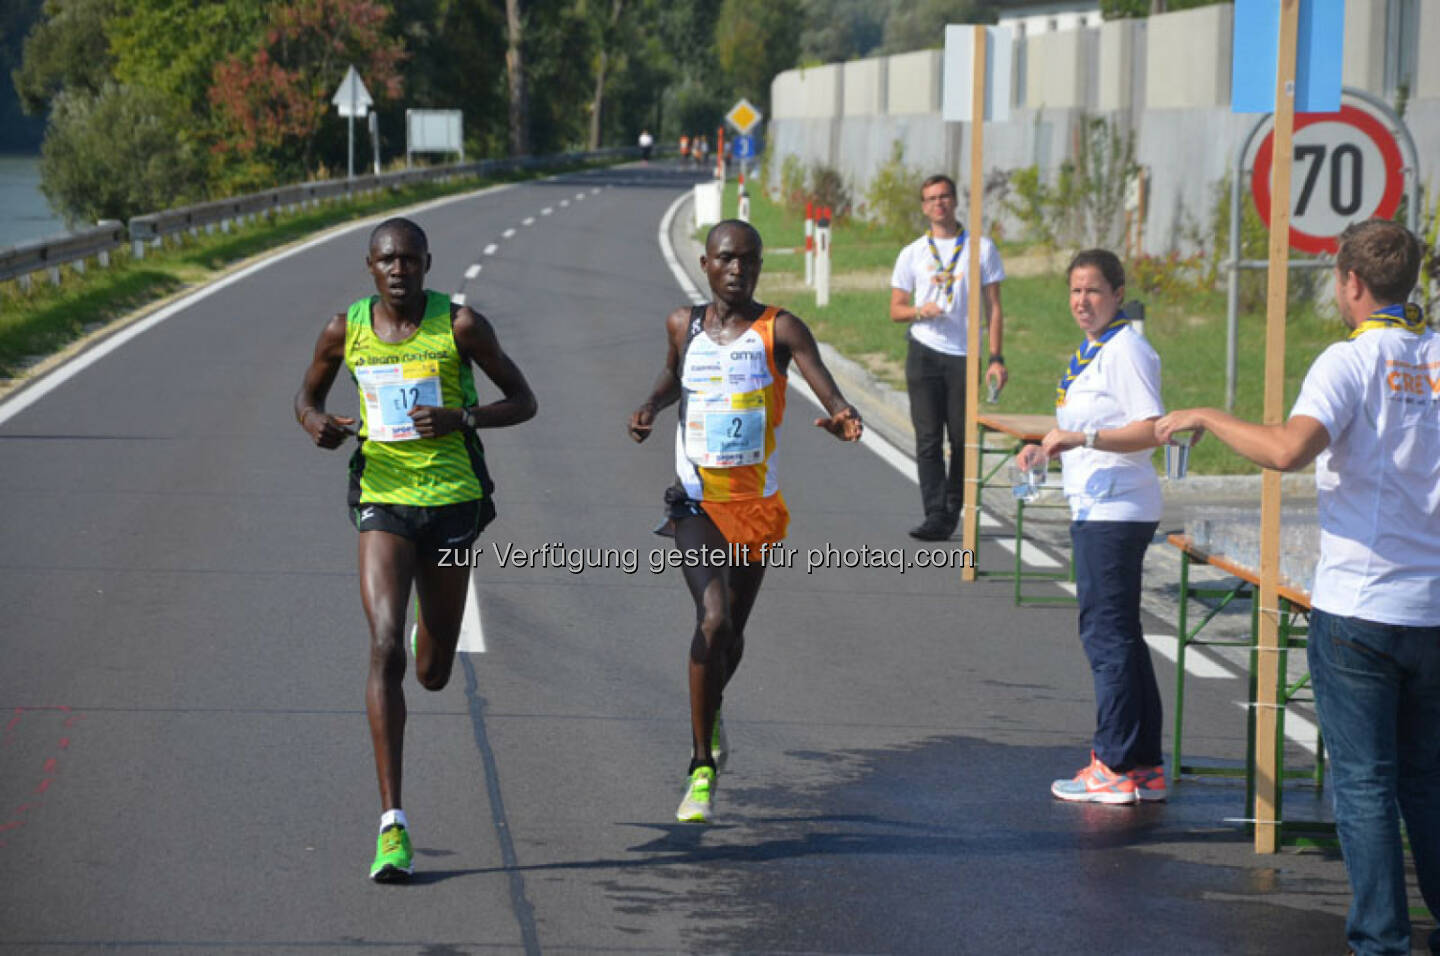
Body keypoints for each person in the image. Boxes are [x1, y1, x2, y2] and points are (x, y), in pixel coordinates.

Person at [1156, 219, 1439, 955]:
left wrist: (1207, 416)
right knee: (1428, 782)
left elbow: (1287, 450)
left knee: (1367, 785)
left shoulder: (1349, 362)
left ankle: (1382, 940)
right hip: (1433, 606)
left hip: (1361, 606)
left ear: (1351, 283)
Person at [294, 217, 537, 882]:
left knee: (432, 669)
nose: (398, 270)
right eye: (385, 260)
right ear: (370, 267)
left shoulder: (460, 327)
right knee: (383, 644)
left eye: (409, 259)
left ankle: (438, 629)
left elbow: (524, 401)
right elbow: (306, 397)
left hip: (454, 505)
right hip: (384, 499)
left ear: (428, 262)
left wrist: (463, 417)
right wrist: (316, 422)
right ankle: (392, 825)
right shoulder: (345, 329)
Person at [628, 219, 863, 824]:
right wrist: (653, 404)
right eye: (728, 259)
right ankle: (701, 766)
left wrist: (842, 413)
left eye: (750, 261)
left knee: (730, 638)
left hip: (755, 507)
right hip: (696, 502)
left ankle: (713, 707)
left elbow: (825, 387)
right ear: (705, 264)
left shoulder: (780, 328)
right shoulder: (684, 324)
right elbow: (674, 374)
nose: (739, 269)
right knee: (713, 618)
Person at [1015, 248, 1168, 805]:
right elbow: (1084, 422)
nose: (1083, 301)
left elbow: (1151, 429)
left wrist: (1084, 440)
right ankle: (1145, 766)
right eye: (1076, 291)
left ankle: (1114, 763)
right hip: (1097, 503)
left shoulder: (1128, 350)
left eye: (1094, 291)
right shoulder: (1093, 348)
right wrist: (1046, 447)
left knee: (1107, 638)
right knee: (1120, 635)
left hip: (1116, 510)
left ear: (1118, 295)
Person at [889, 174, 1007, 541]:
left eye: (944, 197)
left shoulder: (980, 248)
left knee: (960, 437)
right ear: (923, 207)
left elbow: (995, 308)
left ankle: (954, 507)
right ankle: (935, 513)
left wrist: (996, 358)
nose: (938, 203)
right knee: (927, 438)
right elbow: (895, 309)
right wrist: (918, 312)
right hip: (924, 351)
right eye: (931, 198)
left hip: (963, 354)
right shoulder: (912, 253)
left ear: (955, 202)